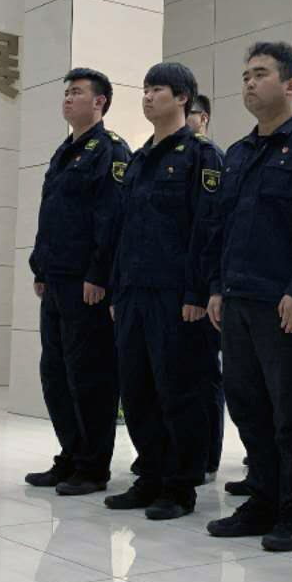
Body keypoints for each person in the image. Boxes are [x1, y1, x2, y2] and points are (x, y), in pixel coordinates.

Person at [203, 43, 292, 550]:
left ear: (290, 85)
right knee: (248, 405)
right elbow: (222, 228)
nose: (248, 83)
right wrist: (217, 287)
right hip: (238, 298)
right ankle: (262, 498)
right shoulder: (238, 153)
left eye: (260, 74)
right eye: (245, 75)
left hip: (285, 303)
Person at [104, 63, 223, 520]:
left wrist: (198, 292)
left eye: (157, 89)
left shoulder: (201, 156)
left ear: (183, 98)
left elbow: (208, 229)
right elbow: (124, 230)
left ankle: (179, 485)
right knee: (137, 389)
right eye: (146, 89)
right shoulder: (139, 159)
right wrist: (117, 291)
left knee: (180, 390)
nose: (148, 97)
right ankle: (151, 474)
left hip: (177, 298)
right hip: (134, 293)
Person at [25, 68, 130, 497]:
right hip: (56, 280)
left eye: (77, 92)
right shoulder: (64, 152)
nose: (68, 99)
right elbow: (50, 215)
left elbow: (111, 218)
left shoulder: (110, 151)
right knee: (55, 374)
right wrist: (40, 268)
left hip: (86, 283)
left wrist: (98, 274)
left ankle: (93, 466)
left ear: (99, 102)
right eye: (66, 92)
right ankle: (71, 454)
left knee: (90, 374)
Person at [186, 94, 227, 479]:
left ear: (205, 118)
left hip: (199, 287)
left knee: (202, 374)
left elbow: (209, 228)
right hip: (171, 288)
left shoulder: (209, 157)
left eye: (192, 114)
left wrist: (203, 288)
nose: (187, 119)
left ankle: (208, 455)